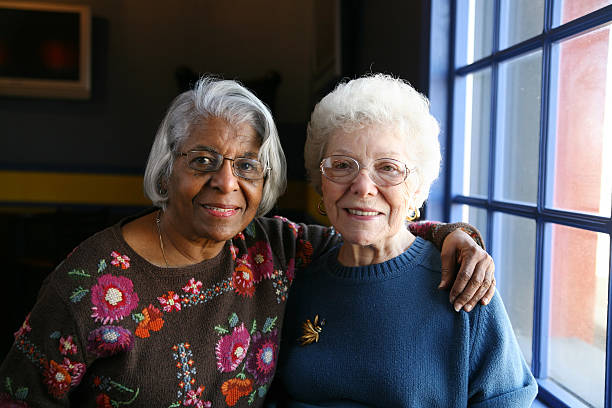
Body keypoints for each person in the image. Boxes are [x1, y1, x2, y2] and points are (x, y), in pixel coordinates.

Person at [0, 77, 493, 407]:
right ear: (166, 169)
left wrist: (454, 237)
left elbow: (370, 232)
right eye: (202, 160)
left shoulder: (270, 247)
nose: (225, 182)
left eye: (247, 165)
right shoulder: (90, 283)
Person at [273, 74, 537, 407]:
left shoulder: (465, 282)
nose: (363, 186)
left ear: (416, 191)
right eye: (342, 165)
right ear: (321, 185)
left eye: (388, 168)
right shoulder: (298, 281)